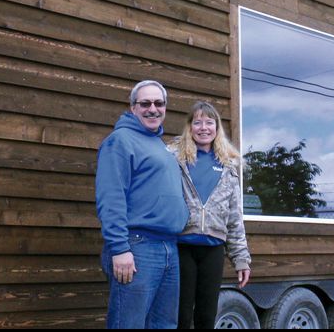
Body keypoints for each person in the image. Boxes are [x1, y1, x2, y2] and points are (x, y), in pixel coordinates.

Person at [96, 80, 189, 329]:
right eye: (145, 103)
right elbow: (111, 197)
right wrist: (119, 248)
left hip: (168, 247)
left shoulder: (160, 145)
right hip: (137, 248)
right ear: (133, 107)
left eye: (159, 103)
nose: (153, 109)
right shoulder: (120, 141)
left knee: (164, 325)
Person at [170, 101, 252, 329]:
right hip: (181, 246)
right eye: (197, 122)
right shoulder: (174, 159)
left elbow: (235, 218)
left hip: (214, 249)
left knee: (206, 316)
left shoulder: (228, 165)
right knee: (180, 315)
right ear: (189, 126)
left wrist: (241, 259)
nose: (203, 127)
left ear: (217, 127)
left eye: (209, 122)